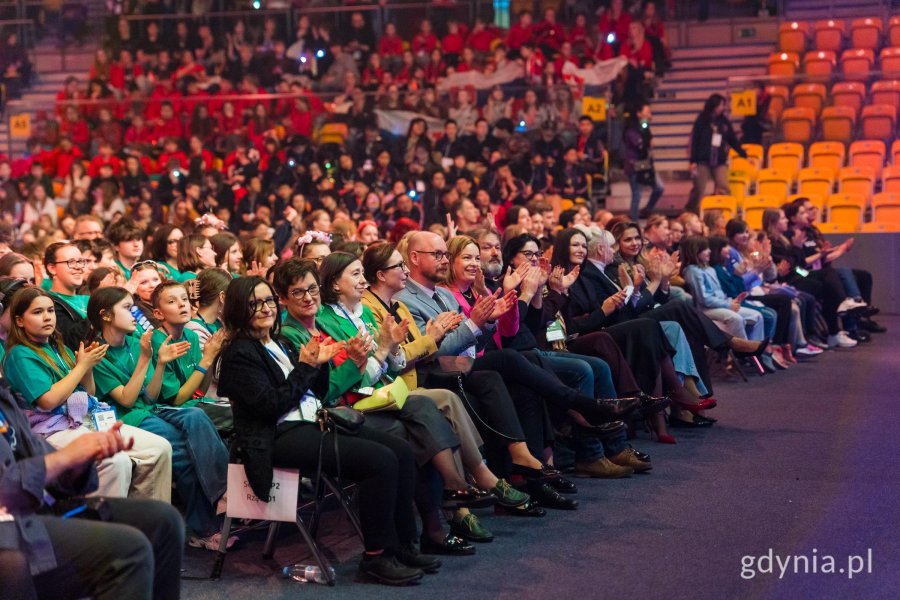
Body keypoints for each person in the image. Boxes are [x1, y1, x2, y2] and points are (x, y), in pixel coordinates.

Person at [217, 276, 435, 585]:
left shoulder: (279, 342)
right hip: (277, 436)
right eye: (254, 303)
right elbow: (270, 407)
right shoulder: (239, 354)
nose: (265, 308)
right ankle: (376, 557)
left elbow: (315, 393)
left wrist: (317, 365)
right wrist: (307, 367)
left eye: (268, 301)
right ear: (239, 309)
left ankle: (403, 546)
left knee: (400, 450)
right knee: (380, 461)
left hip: (312, 421)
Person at [0, 379, 184, 600]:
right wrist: (63, 458)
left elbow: (41, 458)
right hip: (13, 529)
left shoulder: (4, 398)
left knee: (164, 521)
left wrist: (79, 464)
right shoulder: (17, 366)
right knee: (128, 551)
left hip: (39, 509)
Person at [87, 286, 232, 551]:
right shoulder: (99, 353)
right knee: (186, 456)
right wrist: (147, 359)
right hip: (127, 419)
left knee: (195, 416)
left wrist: (160, 364)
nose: (135, 314)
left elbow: (151, 396)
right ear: (106, 315)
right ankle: (210, 520)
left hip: (151, 409)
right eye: (127, 308)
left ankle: (223, 495)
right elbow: (127, 400)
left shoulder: (134, 342)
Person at [2, 287, 172, 501]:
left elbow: (88, 392)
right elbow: (48, 401)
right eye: (37, 312)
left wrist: (88, 369)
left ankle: (150, 517)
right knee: (115, 461)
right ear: (19, 321)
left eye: (50, 310)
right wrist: (82, 366)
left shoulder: (57, 347)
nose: (47, 317)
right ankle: (108, 520)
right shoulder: (20, 354)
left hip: (83, 419)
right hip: (50, 430)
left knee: (160, 448)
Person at [681, 236, 765, 342]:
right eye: (705, 249)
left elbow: (720, 293)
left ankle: (756, 348)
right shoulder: (692, 271)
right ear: (695, 252)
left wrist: (731, 302)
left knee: (757, 316)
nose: (709, 251)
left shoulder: (709, 269)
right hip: (705, 309)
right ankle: (743, 349)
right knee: (736, 318)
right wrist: (728, 305)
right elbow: (704, 299)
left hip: (720, 305)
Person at [688, 94, 747, 213]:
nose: (722, 108)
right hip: (702, 160)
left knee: (724, 186)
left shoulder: (724, 122)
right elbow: (695, 141)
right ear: (713, 105)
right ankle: (691, 211)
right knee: (699, 188)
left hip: (719, 160)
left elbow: (732, 139)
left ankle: (728, 211)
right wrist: (693, 160)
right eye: (720, 105)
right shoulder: (701, 120)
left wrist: (743, 154)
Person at [623, 102, 664, 220]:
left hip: (646, 164)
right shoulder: (631, 129)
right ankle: (633, 221)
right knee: (637, 193)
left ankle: (647, 210)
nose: (649, 114)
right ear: (639, 113)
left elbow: (650, 143)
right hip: (634, 165)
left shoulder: (645, 127)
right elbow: (640, 144)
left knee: (659, 187)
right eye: (647, 112)